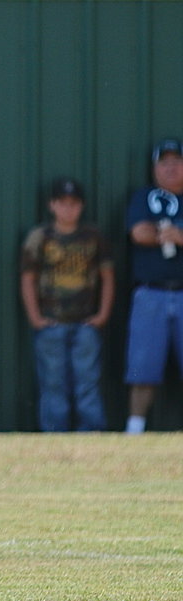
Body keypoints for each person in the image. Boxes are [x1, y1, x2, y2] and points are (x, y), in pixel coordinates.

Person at [20, 176, 114, 432]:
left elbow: (108, 276)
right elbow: (28, 278)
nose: (68, 209)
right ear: (52, 205)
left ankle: (92, 431)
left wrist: (102, 314)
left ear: (81, 206)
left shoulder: (93, 236)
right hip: (51, 323)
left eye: (73, 203)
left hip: (86, 323)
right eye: (62, 203)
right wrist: (35, 318)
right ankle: (54, 433)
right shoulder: (40, 237)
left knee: (88, 381)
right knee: (53, 383)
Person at [124, 137, 183, 434]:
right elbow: (138, 233)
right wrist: (166, 234)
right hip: (150, 294)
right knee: (142, 369)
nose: (170, 168)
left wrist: (179, 236)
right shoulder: (143, 197)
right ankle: (134, 432)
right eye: (164, 162)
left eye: (176, 162)